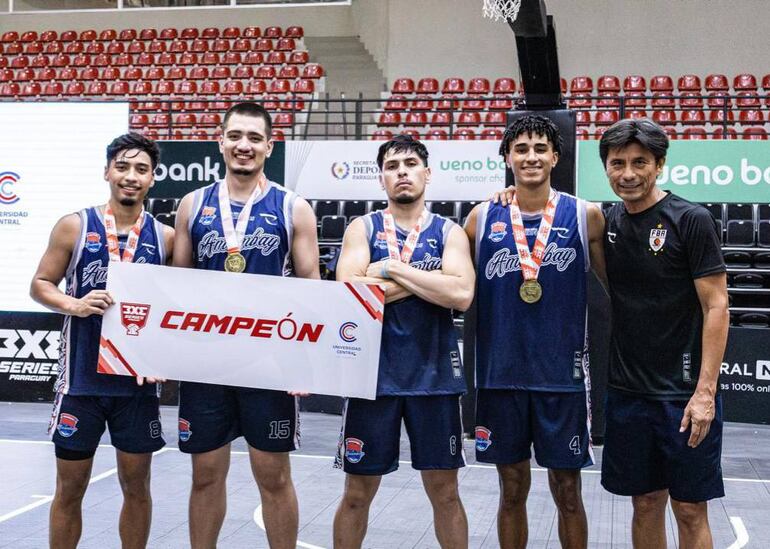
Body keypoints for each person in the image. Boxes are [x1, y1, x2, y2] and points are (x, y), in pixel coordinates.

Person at [172, 102, 320, 549]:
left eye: (255, 138)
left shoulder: (294, 207)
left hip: (269, 364)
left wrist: (303, 362)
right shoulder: (192, 205)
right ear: (221, 141)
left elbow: (311, 287)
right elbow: (176, 286)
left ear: (268, 146)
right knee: (205, 476)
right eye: (236, 135)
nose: (244, 145)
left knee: (273, 476)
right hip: (207, 364)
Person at [466, 114, 606, 549]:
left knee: (568, 492)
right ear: (507, 158)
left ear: (556, 156)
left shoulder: (586, 216)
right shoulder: (480, 217)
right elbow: (456, 287)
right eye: (521, 149)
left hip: (561, 380)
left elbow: (616, 287)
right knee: (511, 490)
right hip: (500, 376)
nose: (531, 157)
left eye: (540, 148)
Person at [332, 135, 475, 549]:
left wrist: (391, 269)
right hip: (372, 380)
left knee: (446, 493)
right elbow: (350, 294)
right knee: (357, 496)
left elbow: (462, 295)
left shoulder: (449, 231)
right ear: (381, 179)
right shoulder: (362, 227)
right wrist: (430, 281)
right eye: (393, 166)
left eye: (410, 164)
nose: (402, 172)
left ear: (427, 174)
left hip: (435, 380)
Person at [30, 133, 172, 549]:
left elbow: (177, 311)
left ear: (152, 179)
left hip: (136, 388)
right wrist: (73, 304)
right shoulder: (75, 225)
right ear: (107, 171)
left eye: (141, 169)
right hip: (80, 386)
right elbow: (40, 284)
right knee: (69, 490)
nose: (131, 176)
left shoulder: (165, 238)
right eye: (123, 167)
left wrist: (165, 356)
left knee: (137, 488)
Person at [598, 118, 728, 549]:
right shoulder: (608, 220)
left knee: (690, 509)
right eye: (618, 163)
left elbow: (716, 306)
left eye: (640, 162)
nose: (628, 173)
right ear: (606, 167)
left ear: (660, 165)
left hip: (684, 397)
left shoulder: (691, 219)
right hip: (628, 393)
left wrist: (705, 392)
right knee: (646, 502)